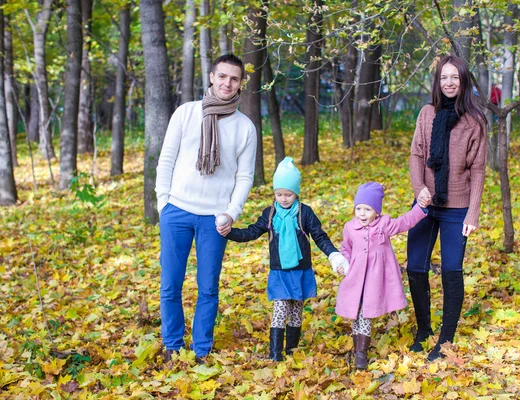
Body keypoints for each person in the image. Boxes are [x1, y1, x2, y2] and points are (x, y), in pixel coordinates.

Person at [155, 54, 258, 364]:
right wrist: (163, 204)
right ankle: (172, 346)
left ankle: (201, 350)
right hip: (177, 211)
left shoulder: (245, 128)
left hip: (215, 219)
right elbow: (166, 160)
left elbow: (244, 177)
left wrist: (231, 213)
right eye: (223, 76)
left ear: (241, 83)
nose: (228, 83)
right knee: (170, 285)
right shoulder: (186, 114)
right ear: (212, 76)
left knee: (208, 288)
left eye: (235, 78)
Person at [226, 157, 349, 361]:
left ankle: (292, 349)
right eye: (279, 194)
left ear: (296, 193)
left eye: (288, 194)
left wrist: (333, 254)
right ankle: (275, 354)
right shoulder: (270, 213)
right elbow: (252, 232)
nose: (283, 199)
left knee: (296, 310)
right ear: (274, 193)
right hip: (280, 272)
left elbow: (319, 236)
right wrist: (230, 233)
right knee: (280, 308)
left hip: (300, 270)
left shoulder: (305, 213)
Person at [407, 54, 487, 361]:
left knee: (452, 271)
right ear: (437, 82)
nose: (449, 82)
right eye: (444, 77)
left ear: (463, 81)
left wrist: (473, 213)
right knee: (415, 267)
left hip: (458, 207)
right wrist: (420, 189)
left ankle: (445, 339)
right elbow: (416, 155)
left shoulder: (475, 121)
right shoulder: (427, 114)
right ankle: (424, 329)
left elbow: (478, 170)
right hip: (426, 203)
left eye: (454, 77)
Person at [334, 182, 429, 370]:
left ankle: (360, 353)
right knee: (358, 312)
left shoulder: (383, 225)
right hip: (356, 279)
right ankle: (359, 349)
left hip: (375, 280)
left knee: (365, 313)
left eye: (367, 209)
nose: (362, 214)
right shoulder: (350, 228)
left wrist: (420, 208)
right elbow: (346, 248)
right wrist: (342, 264)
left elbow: (405, 222)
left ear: (376, 211)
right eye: (358, 208)